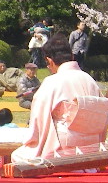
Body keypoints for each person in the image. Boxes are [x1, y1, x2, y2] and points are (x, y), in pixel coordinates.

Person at [11, 35, 103, 164]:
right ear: (71, 56)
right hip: (92, 145)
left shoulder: (52, 82)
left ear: (49, 60)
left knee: (17, 156)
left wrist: (34, 144)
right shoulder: (89, 80)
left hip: (63, 149)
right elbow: (102, 117)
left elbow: (39, 121)